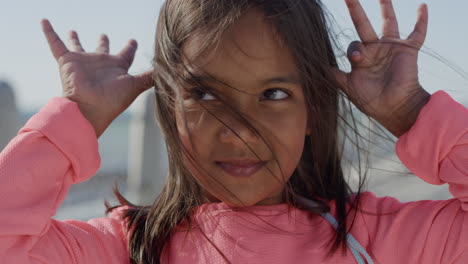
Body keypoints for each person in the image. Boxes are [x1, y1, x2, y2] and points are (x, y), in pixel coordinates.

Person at [0, 0, 467, 263]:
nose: (239, 133)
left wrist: (411, 111)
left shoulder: (382, 240)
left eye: (275, 94)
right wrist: (78, 115)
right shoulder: (129, 248)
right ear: (169, 106)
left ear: (313, 112)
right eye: (205, 95)